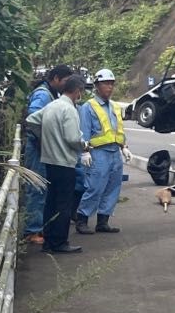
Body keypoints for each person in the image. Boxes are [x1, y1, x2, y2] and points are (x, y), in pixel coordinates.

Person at [25, 74, 86, 253]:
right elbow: (73, 138)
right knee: (64, 204)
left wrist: (45, 139)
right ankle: (60, 242)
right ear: (77, 91)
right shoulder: (69, 110)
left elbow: (31, 120)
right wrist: (85, 145)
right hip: (64, 162)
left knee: (50, 202)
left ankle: (48, 240)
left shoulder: (51, 105)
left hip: (49, 159)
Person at [76, 68, 132, 235]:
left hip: (115, 152)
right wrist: (84, 152)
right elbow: (83, 132)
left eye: (111, 84)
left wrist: (124, 147)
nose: (109, 87)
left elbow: (118, 130)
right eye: (105, 84)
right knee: (95, 187)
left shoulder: (115, 107)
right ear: (97, 86)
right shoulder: (88, 107)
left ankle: (103, 221)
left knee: (113, 187)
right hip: (98, 153)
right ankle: (82, 219)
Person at [22, 64, 73, 244]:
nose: (67, 85)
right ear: (56, 78)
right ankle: (32, 231)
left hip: (42, 148)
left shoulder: (51, 94)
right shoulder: (43, 94)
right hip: (38, 149)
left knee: (43, 188)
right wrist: (47, 140)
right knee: (37, 188)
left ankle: (38, 228)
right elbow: (33, 119)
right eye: (66, 81)